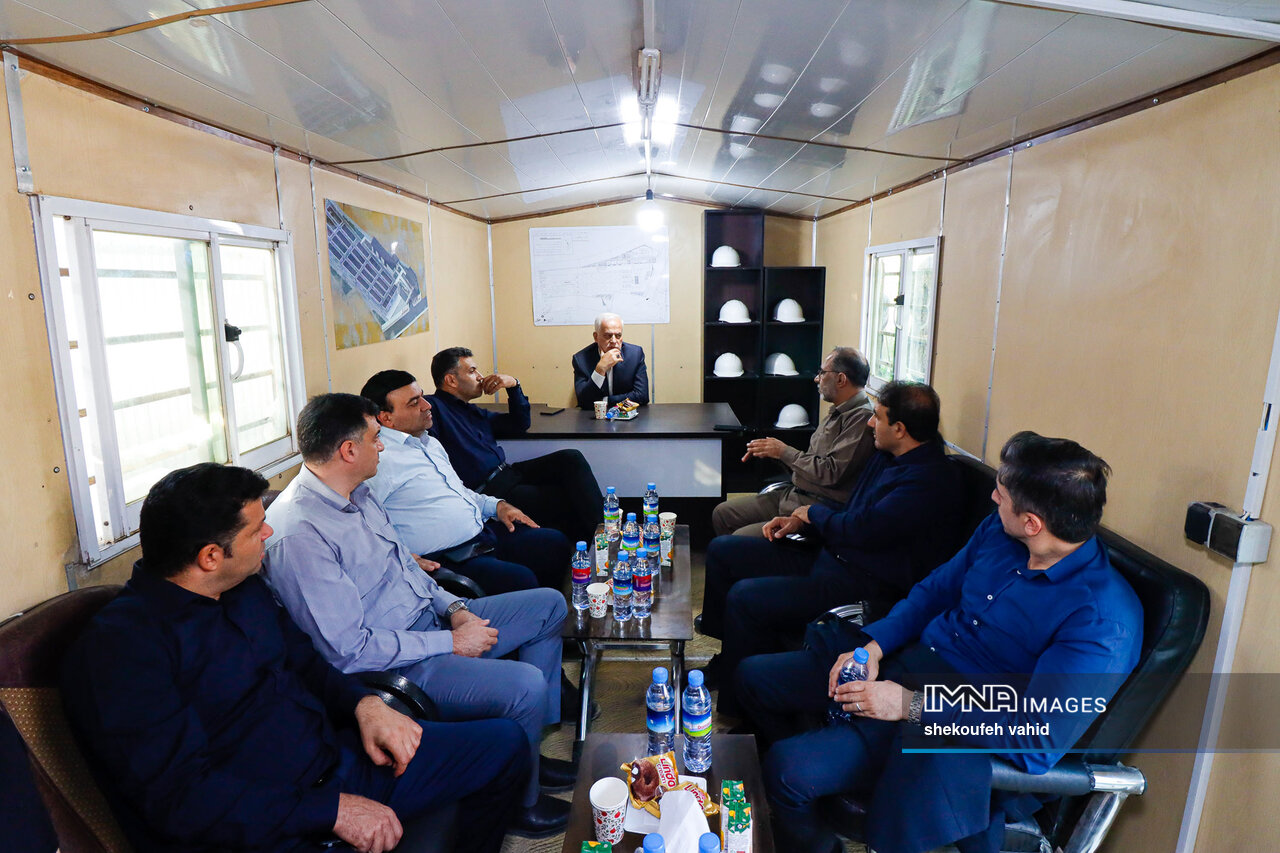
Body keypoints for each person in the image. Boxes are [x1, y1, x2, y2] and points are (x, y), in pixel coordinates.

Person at [62, 462, 527, 853]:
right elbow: (180, 799)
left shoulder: (241, 589)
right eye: (256, 529)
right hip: (266, 825)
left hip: (336, 761)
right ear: (210, 556)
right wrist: (332, 811)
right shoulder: (122, 652)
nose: (269, 532)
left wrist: (364, 705)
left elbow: (305, 662)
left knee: (504, 745)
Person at [735, 431, 1143, 853]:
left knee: (785, 771)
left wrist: (908, 706)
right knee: (753, 678)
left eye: (1001, 494)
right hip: (905, 662)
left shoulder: (1101, 620)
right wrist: (873, 647)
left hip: (948, 719)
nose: (992, 497)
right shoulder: (1001, 532)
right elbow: (934, 592)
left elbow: (1035, 738)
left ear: (1032, 523)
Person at [263, 394, 574, 838]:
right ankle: (521, 802)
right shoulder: (299, 534)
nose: (383, 446)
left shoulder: (359, 493)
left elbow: (408, 568)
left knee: (548, 605)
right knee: (524, 684)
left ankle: (530, 751)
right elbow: (348, 651)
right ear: (348, 450)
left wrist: (455, 608)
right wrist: (452, 642)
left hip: (431, 622)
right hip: (399, 663)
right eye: (375, 438)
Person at [700, 381, 965, 713]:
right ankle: (726, 655)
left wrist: (813, 514)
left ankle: (736, 708)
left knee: (744, 597)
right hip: (828, 554)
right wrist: (803, 522)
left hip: (859, 584)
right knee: (723, 550)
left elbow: (863, 529)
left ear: (899, 429)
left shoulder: (928, 482)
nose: (870, 422)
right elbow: (852, 512)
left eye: (878, 417)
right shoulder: (887, 456)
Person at [361, 369, 572, 595]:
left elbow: (459, 492)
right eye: (414, 403)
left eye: (422, 396)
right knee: (521, 580)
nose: (427, 405)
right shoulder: (379, 460)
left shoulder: (429, 443)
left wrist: (497, 506)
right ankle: (537, 607)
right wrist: (401, 556)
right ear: (386, 418)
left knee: (554, 543)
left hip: (480, 535)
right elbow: (362, 527)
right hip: (444, 557)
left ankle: (551, 610)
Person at [427, 346, 603, 541]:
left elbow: (519, 423)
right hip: (489, 490)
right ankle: (600, 541)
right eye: (472, 371)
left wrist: (513, 386)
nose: (480, 377)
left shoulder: (472, 411)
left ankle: (601, 533)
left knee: (571, 458)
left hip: (508, 473)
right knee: (566, 497)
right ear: (451, 380)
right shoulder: (432, 409)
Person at [712, 347, 876, 537]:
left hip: (815, 507)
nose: (817, 379)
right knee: (722, 513)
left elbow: (831, 473)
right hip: (793, 493)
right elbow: (813, 461)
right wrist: (774, 452)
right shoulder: (839, 411)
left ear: (841, 379)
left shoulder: (861, 419)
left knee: (738, 538)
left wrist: (784, 452)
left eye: (822, 373)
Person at [572, 312, 649, 410]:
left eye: (618, 335)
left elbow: (642, 396)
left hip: (627, 414)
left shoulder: (635, 354)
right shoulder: (581, 359)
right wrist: (600, 370)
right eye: (608, 335)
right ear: (596, 337)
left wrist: (606, 401)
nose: (614, 341)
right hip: (594, 416)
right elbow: (583, 401)